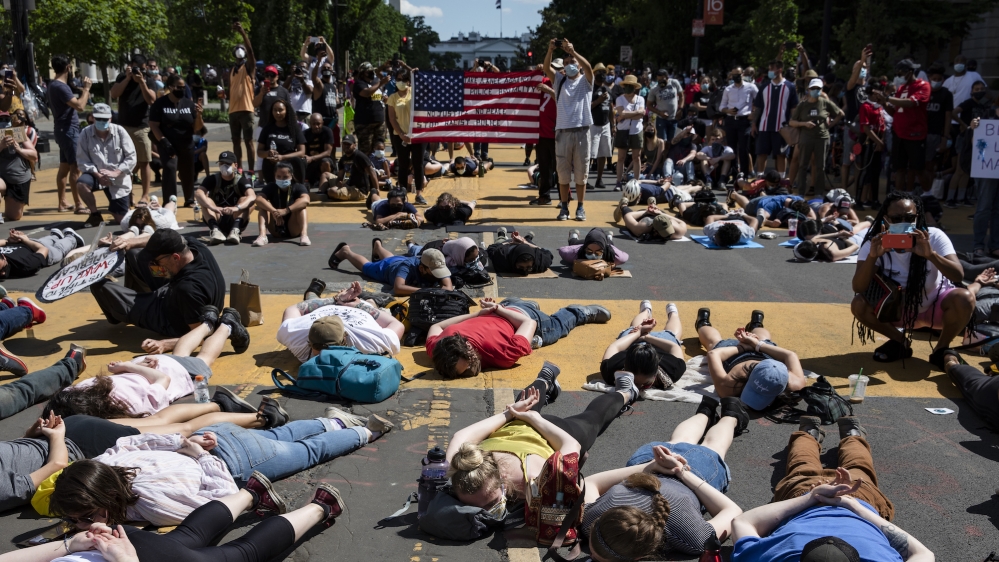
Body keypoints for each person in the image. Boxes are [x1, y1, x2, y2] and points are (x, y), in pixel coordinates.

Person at [48, 407, 390, 526]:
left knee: (307, 452)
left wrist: (199, 456)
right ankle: (330, 422)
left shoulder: (152, 504)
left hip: (234, 461)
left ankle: (366, 430)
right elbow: (130, 442)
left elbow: (225, 497)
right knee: (280, 434)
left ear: (107, 497)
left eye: (86, 515)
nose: (81, 523)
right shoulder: (104, 464)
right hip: (211, 436)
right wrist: (185, 444)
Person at [730, 417, 935, 561]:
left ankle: (850, 435)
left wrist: (821, 498)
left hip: (851, 498)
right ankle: (808, 433)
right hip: (813, 500)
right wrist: (819, 499)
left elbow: (923, 555)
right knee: (802, 467)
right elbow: (742, 522)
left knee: (858, 468)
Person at [439, 374, 634, 515]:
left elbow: (571, 446)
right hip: (513, 424)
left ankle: (625, 392)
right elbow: (461, 435)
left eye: (491, 504)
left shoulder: (533, 478)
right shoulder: (460, 465)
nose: (484, 512)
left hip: (549, 432)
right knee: (524, 403)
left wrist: (534, 418)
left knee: (592, 420)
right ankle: (543, 379)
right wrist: (509, 413)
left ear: (504, 481)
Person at [13, 482, 346, 562]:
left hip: (116, 554)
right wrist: (72, 545)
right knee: (187, 535)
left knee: (239, 555)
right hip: (109, 547)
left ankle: (321, 507)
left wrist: (74, 542)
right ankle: (251, 492)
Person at [582, 407, 746, 559]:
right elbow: (589, 482)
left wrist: (682, 473)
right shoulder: (593, 517)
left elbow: (733, 512)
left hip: (693, 472)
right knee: (680, 439)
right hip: (650, 459)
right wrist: (662, 467)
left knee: (714, 446)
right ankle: (706, 411)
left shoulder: (691, 537)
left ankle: (731, 415)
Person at [851, 192, 973, 367]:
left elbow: (958, 275)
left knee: (965, 298)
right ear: (885, 219)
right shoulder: (874, 243)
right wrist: (872, 257)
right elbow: (858, 286)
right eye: (896, 218)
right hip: (896, 312)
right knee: (858, 304)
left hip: (934, 308)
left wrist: (931, 255)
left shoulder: (934, 236)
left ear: (918, 217)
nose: (903, 223)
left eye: (909, 218)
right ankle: (899, 341)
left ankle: (941, 348)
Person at [45, 319, 241, 421]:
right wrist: (131, 366)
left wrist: (133, 368)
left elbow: (162, 379)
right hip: (144, 364)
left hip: (173, 373)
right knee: (181, 352)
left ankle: (226, 325)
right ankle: (207, 323)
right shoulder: (78, 391)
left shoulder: (130, 409)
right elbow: (118, 376)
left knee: (204, 360)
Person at [91, 229, 230, 340]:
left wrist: (166, 345)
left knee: (98, 285)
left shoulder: (188, 289)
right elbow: (159, 239)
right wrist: (129, 242)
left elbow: (201, 334)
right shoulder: (193, 246)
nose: (154, 264)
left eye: (157, 261)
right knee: (135, 253)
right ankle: (135, 300)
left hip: (170, 319)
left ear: (175, 257)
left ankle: (124, 311)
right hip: (175, 296)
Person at [426, 297, 610, 378]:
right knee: (515, 307)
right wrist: (480, 314)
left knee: (555, 328)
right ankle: (518, 302)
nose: (473, 368)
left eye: (471, 360)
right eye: (466, 371)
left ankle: (579, 312)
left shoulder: (501, 354)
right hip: (501, 307)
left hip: (523, 316)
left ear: (468, 348)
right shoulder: (440, 347)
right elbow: (436, 326)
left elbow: (529, 323)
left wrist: (499, 311)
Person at [695, 308, 806, 410]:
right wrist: (756, 344)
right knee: (713, 343)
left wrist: (748, 346)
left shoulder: (730, 387)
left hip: (746, 353)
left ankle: (704, 324)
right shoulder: (796, 386)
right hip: (745, 354)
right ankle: (756, 326)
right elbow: (790, 355)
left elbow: (713, 354)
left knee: (714, 342)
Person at [277, 280, 403, 362]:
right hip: (357, 309)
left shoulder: (295, 334)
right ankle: (369, 300)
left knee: (309, 303)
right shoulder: (368, 343)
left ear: (309, 341)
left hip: (327, 307)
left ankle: (313, 294)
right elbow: (397, 324)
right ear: (345, 338)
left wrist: (336, 299)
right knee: (372, 305)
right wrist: (358, 306)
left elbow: (294, 308)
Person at [545, 38, 594, 221]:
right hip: (563, 132)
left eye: (572, 62)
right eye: (565, 63)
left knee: (581, 174)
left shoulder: (586, 81)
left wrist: (573, 52)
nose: (569, 65)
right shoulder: (560, 81)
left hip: (582, 131)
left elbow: (588, 67)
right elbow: (546, 68)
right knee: (563, 173)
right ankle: (564, 207)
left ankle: (581, 207)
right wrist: (550, 50)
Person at [600, 301, 687, 390]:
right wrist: (640, 332)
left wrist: (641, 334)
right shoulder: (673, 370)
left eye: (646, 384)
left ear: (656, 373)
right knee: (673, 335)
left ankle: (669, 313)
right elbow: (674, 347)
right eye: (633, 382)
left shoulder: (610, 371)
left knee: (635, 328)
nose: (638, 388)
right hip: (655, 341)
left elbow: (614, 347)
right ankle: (650, 312)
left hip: (638, 341)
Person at [76, 103, 137, 226]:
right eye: (99, 119)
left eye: (105, 119)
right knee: (81, 183)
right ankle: (95, 214)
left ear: (110, 118)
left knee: (122, 221)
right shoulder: (85, 133)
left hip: (118, 178)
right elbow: (82, 160)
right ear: (93, 117)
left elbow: (132, 157)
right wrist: (98, 175)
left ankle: (126, 210)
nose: (102, 121)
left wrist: (116, 172)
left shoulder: (120, 131)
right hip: (97, 175)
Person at [110, 54, 157, 204]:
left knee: (144, 162)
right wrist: (127, 78)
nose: (139, 72)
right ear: (130, 66)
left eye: (142, 69)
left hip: (141, 127)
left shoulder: (149, 80)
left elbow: (151, 100)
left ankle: (145, 195)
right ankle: (128, 194)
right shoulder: (122, 77)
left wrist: (142, 82)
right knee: (125, 163)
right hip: (123, 126)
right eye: (137, 68)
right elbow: (114, 94)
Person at [150, 74, 204, 206]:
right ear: (170, 87)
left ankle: (189, 199)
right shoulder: (160, 104)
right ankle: (170, 200)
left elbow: (197, 128)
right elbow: (153, 125)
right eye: (179, 87)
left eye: (183, 87)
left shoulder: (189, 104)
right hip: (167, 143)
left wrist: (199, 116)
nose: (182, 89)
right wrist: (163, 141)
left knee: (187, 171)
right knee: (169, 168)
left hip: (186, 143)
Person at [48, 54, 90, 213]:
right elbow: (80, 106)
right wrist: (86, 89)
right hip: (68, 130)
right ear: (68, 67)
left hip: (61, 130)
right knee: (75, 168)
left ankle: (62, 203)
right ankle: (79, 204)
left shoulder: (53, 85)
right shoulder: (61, 87)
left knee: (64, 167)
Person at [329, 241, 451, 296]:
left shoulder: (436, 263)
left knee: (392, 258)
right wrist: (427, 291)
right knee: (366, 267)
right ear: (421, 268)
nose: (438, 275)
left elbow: (448, 288)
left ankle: (378, 246)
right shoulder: (407, 267)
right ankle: (346, 252)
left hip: (397, 261)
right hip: (386, 268)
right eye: (433, 272)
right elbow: (398, 288)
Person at [789, 78, 844, 196]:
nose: (815, 90)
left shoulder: (825, 102)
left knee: (820, 166)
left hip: (822, 138)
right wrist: (804, 124)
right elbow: (792, 122)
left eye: (818, 88)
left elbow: (840, 113)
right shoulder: (803, 105)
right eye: (813, 88)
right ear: (809, 89)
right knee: (803, 165)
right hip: (806, 137)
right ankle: (801, 192)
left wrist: (830, 125)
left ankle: (819, 193)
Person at [883, 59, 931, 193]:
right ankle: (899, 196)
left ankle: (928, 194)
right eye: (897, 74)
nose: (899, 76)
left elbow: (910, 103)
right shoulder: (901, 89)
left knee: (918, 168)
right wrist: (883, 103)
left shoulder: (923, 85)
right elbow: (893, 111)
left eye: (901, 73)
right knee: (899, 168)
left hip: (915, 134)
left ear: (910, 72)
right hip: (899, 133)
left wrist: (887, 98)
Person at [195, 150, 256, 245]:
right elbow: (198, 193)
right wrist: (213, 207)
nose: (224, 166)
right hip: (217, 215)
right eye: (222, 163)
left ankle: (235, 231)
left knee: (246, 200)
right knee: (205, 200)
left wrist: (236, 208)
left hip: (235, 216)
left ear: (235, 165)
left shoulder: (241, 180)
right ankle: (215, 230)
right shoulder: (212, 179)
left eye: (228, 163)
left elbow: (252, 196)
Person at [387, 68, 428, 204]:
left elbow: (426, 87)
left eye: (404, 80)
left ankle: (419, 193)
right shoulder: (392, 98)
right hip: (400, 136)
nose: (401, 82)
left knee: (418, 164)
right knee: (403, 164)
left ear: (409, 82)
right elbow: (392, 119)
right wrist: (402, 135)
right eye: (398, 79)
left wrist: (414, 72)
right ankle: (402, 192)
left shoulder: (415, 93)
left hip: (418, 135)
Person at [751, 58, 798, 177]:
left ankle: (781, 179)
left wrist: (794, 124)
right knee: (762, 153)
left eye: (772, 69)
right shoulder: (764, 86)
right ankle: (760, 177)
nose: (769, 71)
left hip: (782, 127)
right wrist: (753, 124)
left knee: (781, 154)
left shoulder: (790, 87)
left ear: (779, 69)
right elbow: (758, 107)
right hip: (764, 125)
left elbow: (794, 108)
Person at [253, 161, 311, 246]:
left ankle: (304, 235)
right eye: (279, 177)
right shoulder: (271, 186)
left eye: (285, 177)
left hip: (293, 227)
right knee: (263, 208)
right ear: (275, 176)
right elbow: (258, 199)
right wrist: (273, 211)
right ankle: (262, 236)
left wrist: (286, 210)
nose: (282, 179)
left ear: (291, 176)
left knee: (301, 207)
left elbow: (306, 200)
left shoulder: (298, 186)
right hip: (275, 226)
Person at [228, 22, 257, 176]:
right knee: (236, 142)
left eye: (242, 48)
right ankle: (239, 168)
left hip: (247, 109)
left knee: (249, 141)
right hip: (233, 110)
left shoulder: (249, 67)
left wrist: (242, 33)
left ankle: (251, 171)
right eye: (237, 48)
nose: (239, 50)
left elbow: (251, 51)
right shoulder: (232, 69)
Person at [0, 227, 84, 279]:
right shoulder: (25, 266)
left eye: (3, 268)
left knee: (43, 240)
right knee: (59, 249)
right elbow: (44, 249)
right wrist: (26, 240)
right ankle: (73, 238)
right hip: (46, 253)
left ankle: (55, 236)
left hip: (28, 242)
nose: (3, 273)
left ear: (3, 256)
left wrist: (9, 241)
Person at [719, 66, 759, 178]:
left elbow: (760, 101)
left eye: (737, 74)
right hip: (731, 120)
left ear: (742, 74)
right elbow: (721, 106)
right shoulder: (728, 89)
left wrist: (753, 112)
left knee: (743, 148)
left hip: (744, 121)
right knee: (731, 149)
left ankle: (745, 174)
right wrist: (727, 110)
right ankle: (734, 173)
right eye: (733, 75)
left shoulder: (751, 87)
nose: (735, 77)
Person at [252, 64, 291, 172]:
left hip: (280, 127)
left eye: (272, 75)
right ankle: (260, 178)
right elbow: (254, 104)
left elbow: (289, 109)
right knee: (261, 152)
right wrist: (261, 93)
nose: (269, 77)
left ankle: (281, 174)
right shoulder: (260, 89)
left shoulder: (283, 91)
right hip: (264, 126)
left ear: (277, 76)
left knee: (280, 151)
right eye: (267, 75)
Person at [257, 99, 306, 184]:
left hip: (289, 161)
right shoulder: (267, 128)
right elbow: (259, 152)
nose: (277, 113)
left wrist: (282, 157)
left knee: (297, 161)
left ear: (287, 111)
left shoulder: (294, 128)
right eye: (275, 110)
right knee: (266, 161)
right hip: (273, 162)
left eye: (280, 110)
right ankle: (271, 186)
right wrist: (268, 153)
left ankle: (299, 186)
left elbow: (302, 152)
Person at [0, 109, 37, 221]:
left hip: (18, 177)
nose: (3, 122)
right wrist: (1, 146)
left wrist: (19, 149)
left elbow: (34, 155)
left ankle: (10, 204)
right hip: (1, 175)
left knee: (14, 216)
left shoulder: (18, 133)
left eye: (6, 119)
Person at [923, 64, 953, 196]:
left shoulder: (946, 94)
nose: (936, 81)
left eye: (939, 79)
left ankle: (927, 192)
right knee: (917, 166)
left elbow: (948, 116)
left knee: (930, 166)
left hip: (935, 134)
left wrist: (945, 137)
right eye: (934, 78)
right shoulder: (923, 92)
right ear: (929, 78)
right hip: (919, 133)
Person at [857, 83, 887, 207]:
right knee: (865, 170)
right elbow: (866, 128)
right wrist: (879, 142)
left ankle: (874, 199)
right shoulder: (865, 106)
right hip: (869, 141)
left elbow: (883, 126)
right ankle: (858, 199)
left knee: (876, 171)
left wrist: (881, 141)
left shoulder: (880, 107)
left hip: (878, 140)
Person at [614, 74, 645, 189]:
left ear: (635, 87)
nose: (628, 87)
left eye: (630, 85)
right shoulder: (619, 99)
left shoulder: (640, 99)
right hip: (623, 130)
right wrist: (635, 113)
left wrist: (625, 115)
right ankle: (618, 181)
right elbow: (621, 113)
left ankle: (637, 181)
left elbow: (640, 114)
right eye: (626, 85)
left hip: (636, 130)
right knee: (621, 157)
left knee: (636, 157)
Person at [352, 62, 389, 156]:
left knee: (379, 150)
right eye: (369, 71)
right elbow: (366, 93)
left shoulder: (375, 82)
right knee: (366, 150)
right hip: (365, 123)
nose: (372, 73)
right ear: (363, 73)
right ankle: (364, 170)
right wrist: (381, 83)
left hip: (379, 121)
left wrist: (384, 98)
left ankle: (378, 169)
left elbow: (378, 97)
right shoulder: (359, 84)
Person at [532, 75, 558, 205]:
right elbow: (531, 80)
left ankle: (565, 197)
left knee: (560, 168)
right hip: (542, 133)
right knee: (544, 167)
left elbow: (563, 101)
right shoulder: (545, 80)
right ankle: (544, 195)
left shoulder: (565, 82)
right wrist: (539, 70)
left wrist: (548, 90)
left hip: (557, 133)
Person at [588, 63, 613, 190]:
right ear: (594, 74)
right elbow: (586, 107)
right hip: (593, 124)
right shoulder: (590, 88)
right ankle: (585, 180)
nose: (602, 74)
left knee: (603, 152)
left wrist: (613, 125)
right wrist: (598, 101)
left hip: (605, 124)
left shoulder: (607, 90)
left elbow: (611, 109)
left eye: (604, 72)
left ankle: (599, 179)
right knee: (590, 153)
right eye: (599, 72)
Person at [616, 199, 689, 241]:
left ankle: (652, 204)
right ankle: (623, 205)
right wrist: (647, 212)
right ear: (655, 231)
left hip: (661, 214)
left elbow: (682, 222)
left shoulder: (677, 231)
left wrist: (661, 213)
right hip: (643, 215)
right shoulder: (642, 227)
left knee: (658, 210)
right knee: (627, 213)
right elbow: (628, 216)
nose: (668, 235)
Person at [486, 233, 554, 275]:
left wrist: (526, 243)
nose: (524, 271)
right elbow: (492, 248)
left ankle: (528, 238)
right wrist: (510, 243)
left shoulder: (540, 261)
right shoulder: (502, 257)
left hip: (527, 246)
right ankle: (501, 234)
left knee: (531, 243)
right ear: (514, 262)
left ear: (533, 263)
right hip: (509, 246)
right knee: (500, 241)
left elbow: (546, 253)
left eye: (529, 268)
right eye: (520, 267)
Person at [648, 68, 684, 143]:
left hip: (674, 118)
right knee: (662, 142)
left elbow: (681, 96)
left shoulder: (674, 83)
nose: (660, 82)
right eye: (659, 80)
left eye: (662, 79)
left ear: (667, 77)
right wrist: (659, 112)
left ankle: (669, 155)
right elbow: (649, 105)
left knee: (672, 141)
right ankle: (661, 155)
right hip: (662, 119)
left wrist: (680, 109)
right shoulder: (654, 89)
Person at [560, 227, 629, 265]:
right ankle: (573, 234)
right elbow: (562, 250)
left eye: (598, 252)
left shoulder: (615, 256)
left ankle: (608, 236)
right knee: (573, 243)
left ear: (604, 250)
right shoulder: (574, 253)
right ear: (585, 248)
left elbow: (625, 257)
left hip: (605, 243)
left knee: (610, 243)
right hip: (585, 243)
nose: (593, 256)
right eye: (589, 252)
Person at [310, 41, 339, 130]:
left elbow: (335, 102)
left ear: (332, 71)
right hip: (321, 123)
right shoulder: (320, 84)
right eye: (324, 68)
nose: (326, 69)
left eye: (328, 68)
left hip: (332, 122)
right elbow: (314, 77)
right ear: (321, 71)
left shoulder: (333, 86)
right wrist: (319, 60)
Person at [303, 113, 335, 189]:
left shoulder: (327, 131)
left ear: (322, 123)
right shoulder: (305, 134)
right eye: (313, 124)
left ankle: (327, 184)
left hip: (323, 159)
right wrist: (305, 156)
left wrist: (312, 158)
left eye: (318, 124)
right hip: (309, 161)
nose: (316, 126)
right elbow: (301, 150)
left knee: (325, 162)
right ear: (310, 123)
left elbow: (328, 152)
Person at [285, 58, 313, 123]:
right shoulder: (291, 80)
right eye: (300, 67)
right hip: (292, 112)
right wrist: (292, 76)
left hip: (305, 113)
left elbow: (308, 91)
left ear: (307, 70)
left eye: (304, 67)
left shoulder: (309, 81)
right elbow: (284, 89)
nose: (302, 69)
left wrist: (302, 80)